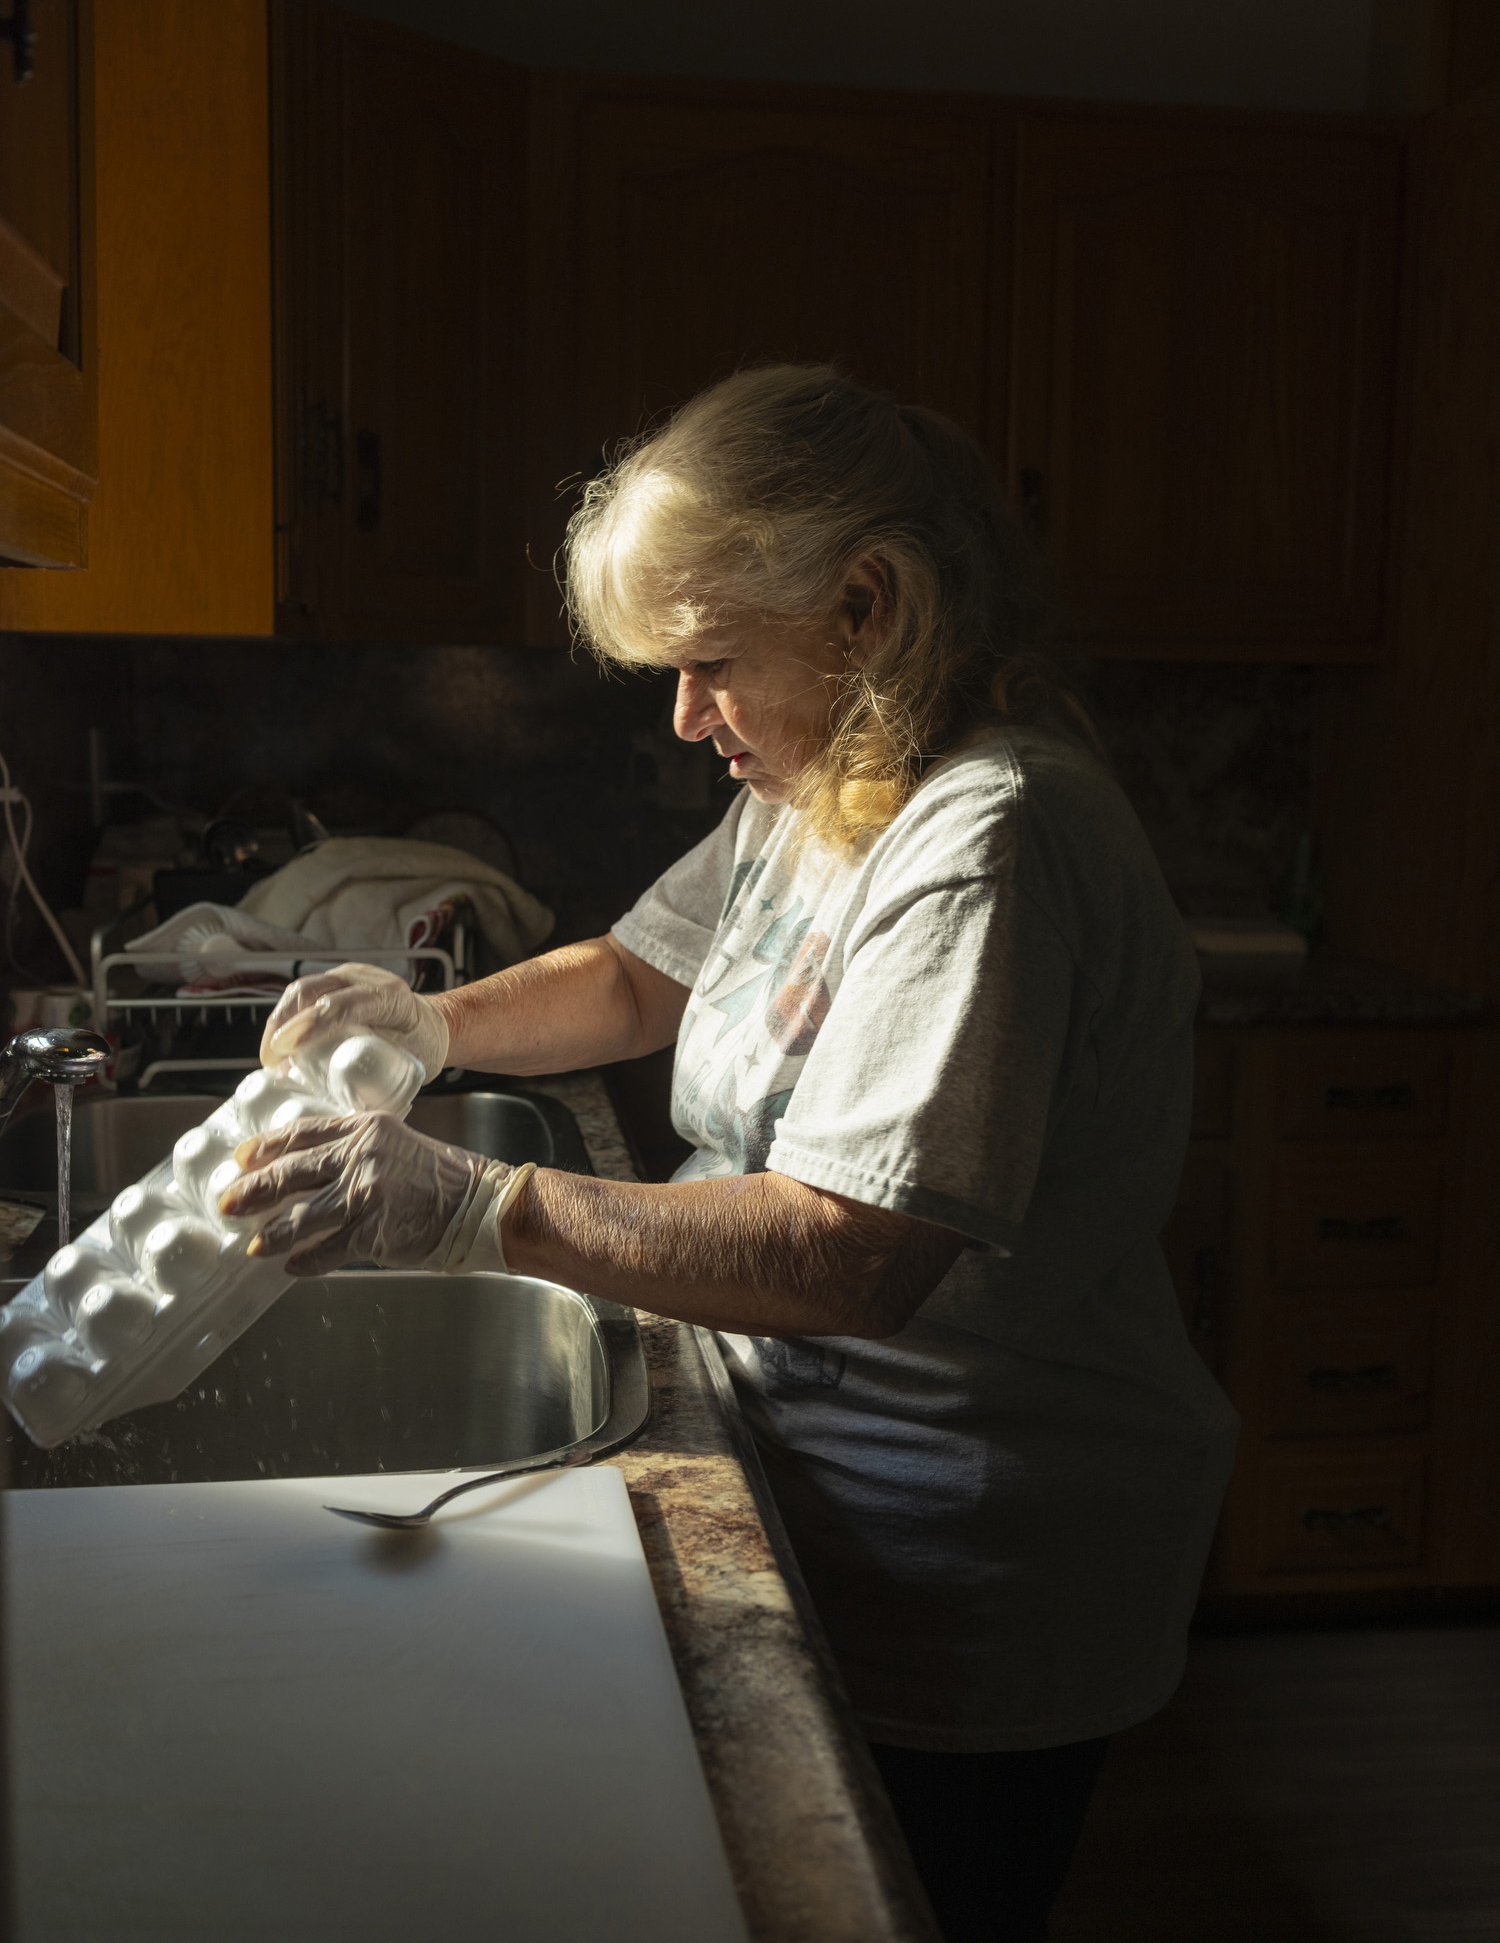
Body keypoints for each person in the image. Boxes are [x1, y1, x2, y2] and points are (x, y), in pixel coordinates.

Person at [224, 364, 1238, 1943]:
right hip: (814, 1479)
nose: (688, 715)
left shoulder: (993, 835)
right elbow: (642, 975)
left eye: (709, 662)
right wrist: (433, 1025)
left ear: (867, 605)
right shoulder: (827, 771)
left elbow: (850, 1252)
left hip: (954, 1553)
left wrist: (472, 1203)